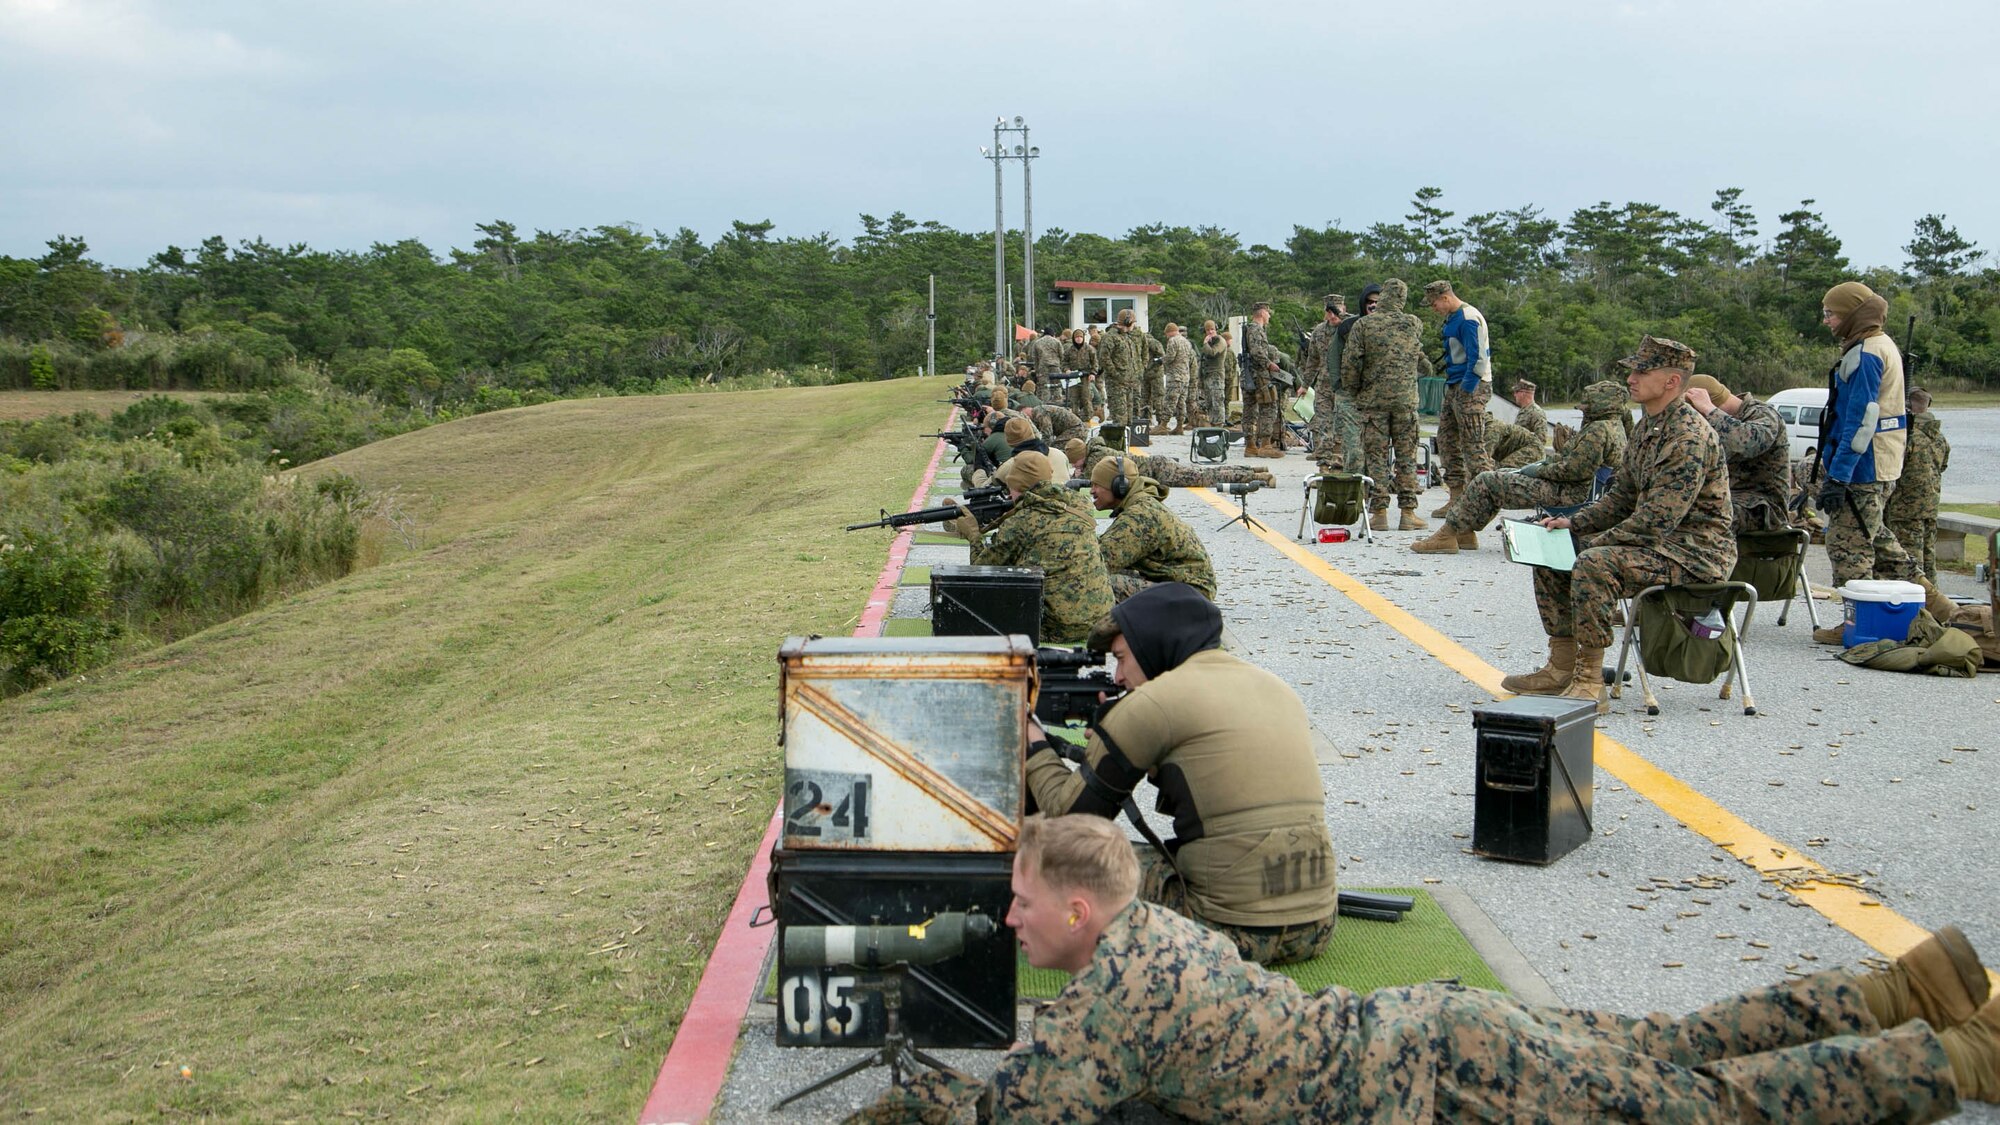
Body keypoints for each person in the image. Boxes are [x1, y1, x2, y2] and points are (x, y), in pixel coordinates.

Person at [854, 813, 2000, 1124]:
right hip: (1430, 1031)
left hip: (1440, 1079)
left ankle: (1950, 1056)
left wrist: (908, 1089)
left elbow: (1023, 1111)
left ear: (1070, 908)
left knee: (1704, 1108)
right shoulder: (1153, 930)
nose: (1005, 920)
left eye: (1014, 901)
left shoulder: (1112, 996)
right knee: (1665, 1047)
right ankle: (1896, 988)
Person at [1021, 583, 1337, 964]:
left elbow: (1064, 823)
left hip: (1221, 930)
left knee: (1047, 861)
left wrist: (1033, 740)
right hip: (1317, 925)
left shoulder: (1153, 702)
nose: (1118, 677)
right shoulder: (1274, 687)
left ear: (1153, 645)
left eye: (1121, 657)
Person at [1515, 336, 1734, 711]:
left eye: (1642, 371)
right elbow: (1620, 499)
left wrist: (1594, 542)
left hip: (1694, 554)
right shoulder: (1649, 428)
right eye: (1632, 370)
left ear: (1672, 382)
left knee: (1594, 562)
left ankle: (1590, 681)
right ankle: (1562, 665)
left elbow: (1654, 522)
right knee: (1553, 549)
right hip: (1658, 544)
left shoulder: (1686, 436)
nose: (1631, 378)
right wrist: (1572, 523)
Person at [1412, 379, 1630, 556]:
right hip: (1576, 490)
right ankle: (1465, 531)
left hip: (1567, 493)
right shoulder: (1615, 426)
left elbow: (1574, 471)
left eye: (1587, 407)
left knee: (1487, 480)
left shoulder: (1598, 430)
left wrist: (1537, 470)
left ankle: (1447, 534)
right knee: (1500, 475)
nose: (1584, 411)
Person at [947, 450, 1112, 646]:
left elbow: (980, 569)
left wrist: (973, 535)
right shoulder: (1079, 504)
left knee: (970, 606)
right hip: (1101, 619)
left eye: (1011, 487)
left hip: (1054, 627)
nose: (1009, 493)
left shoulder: (1020, 522)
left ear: (1018, 485)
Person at [1341, 279, 1431, 531]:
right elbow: (1419, 358)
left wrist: (1355, 390)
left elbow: (1350, 364)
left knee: (1377, 457)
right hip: (1405, 402)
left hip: (1373, 402)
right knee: (1406, 458)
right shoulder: (1412, 323)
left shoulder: (1364, 325)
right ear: (1402, 299)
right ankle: (1408, 513)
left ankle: (1379, 511)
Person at [1088, 456, 1215, 600]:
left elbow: (1097, 562)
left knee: (1095, 582)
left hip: (1190, 597)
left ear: (1119, 486)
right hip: (1183, 588)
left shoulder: (1140, 516)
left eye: (1096, 485)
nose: (1092, 491)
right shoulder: (1141, 505)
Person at [1686, 373, 1792, 533]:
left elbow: (1749, 443)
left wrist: (1710, 411)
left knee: (1702, 517)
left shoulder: (1763, 414)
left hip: (1762, 508)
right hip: (1727, 499)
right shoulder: (1716, 423)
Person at [1425, 281, 1495, 516]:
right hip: (1455, 384)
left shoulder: (1467, 318)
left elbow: (1477, 360)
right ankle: (1457, 496)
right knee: (1446, 439)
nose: (1434, 308)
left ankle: (1486, 500)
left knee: (1473, 445)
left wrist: (1466, 390)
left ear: (1445, 298)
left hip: (1471, 386)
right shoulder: (1453, 318)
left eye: (1435, 304)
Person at [1886, 387, 1950, 579]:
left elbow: (1892, 468)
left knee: (1910, 560)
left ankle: (1915, 604)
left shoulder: (1908, 437)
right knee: (1928, 558)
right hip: (1930, 507)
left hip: (1905, 508)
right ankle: (1932, 602)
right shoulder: (1939, 438)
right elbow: (1943, 466)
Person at [1062, 437, 1273, 490]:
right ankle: (1253, 470)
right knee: (1206, 471)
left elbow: (1083, 483)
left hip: (1161, 473)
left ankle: (1256, 477)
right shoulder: (1099, 449)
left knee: (1207, 478)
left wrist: (1077, 473)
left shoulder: (1095, 462)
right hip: (1159, 463)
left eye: (1075, 462)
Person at [1308, 294, 1364, 473]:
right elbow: (1312, 361)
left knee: (1342, 427)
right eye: (1329, 313)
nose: (1332, 317)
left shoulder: (1355, 326)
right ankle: (1323, 465)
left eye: (1336, 312)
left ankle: (1338, 465)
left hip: (1345, 385)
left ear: (1344, 309)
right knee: (1324, 426)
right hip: (1324, 386)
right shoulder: (1318, 332)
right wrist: (1304, 384)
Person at [1240, 301, 1292, 458]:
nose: (1269, 316)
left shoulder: (1250, 329)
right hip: (1259, 375)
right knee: (1268, 407)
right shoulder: (1256, 329)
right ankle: (1265, 445)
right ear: (1262, 313)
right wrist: (1269, 364)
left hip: (1249, 374)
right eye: (1268, 313)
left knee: (1249, 409)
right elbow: (1257, 352)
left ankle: (1250, 445)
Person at [1097, 308, 1147, 424]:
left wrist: (1141, 368)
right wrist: (1116, 374)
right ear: (1128, 323)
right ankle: (1120, 441)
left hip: (1132, 382)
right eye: (1133, 323)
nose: (1134, 326)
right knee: (1120, 418)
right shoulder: (1110, 337)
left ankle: (1130, 440)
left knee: (1132, 417)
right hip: (1117, 384)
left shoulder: (1131, 335)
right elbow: (1104, 358)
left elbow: (1144, 352)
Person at [1159, 322, 1195, 433]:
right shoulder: (1187, 342)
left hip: (1175, 376)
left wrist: (1161, 360)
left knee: (1170, 400)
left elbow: (1170, 357)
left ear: (1169, 332)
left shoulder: (1173, 341)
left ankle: (1163, 425)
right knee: (1181, 402)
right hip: (1185, 377)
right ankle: (1179, 426)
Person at [1196, 319, 1229, 427]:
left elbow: (1213, 352)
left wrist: (1205, 344)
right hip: (1207, 376)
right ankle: (1212, 423)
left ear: (1216, 329)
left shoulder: (1220, 341)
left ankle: (1219, 424)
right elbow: (1203, 361)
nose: (1210, 332)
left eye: (1212, 329)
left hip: (1216, 376)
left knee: (1217, 402)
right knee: (1209, 402)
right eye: (1208, 330)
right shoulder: (1209, 342)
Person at [1511, 377, 1549, 446]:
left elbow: (1541, 440)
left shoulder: (1536, 412)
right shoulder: (1524, 411)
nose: (1514, 395)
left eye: (1516, 392)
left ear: (1523, 393)